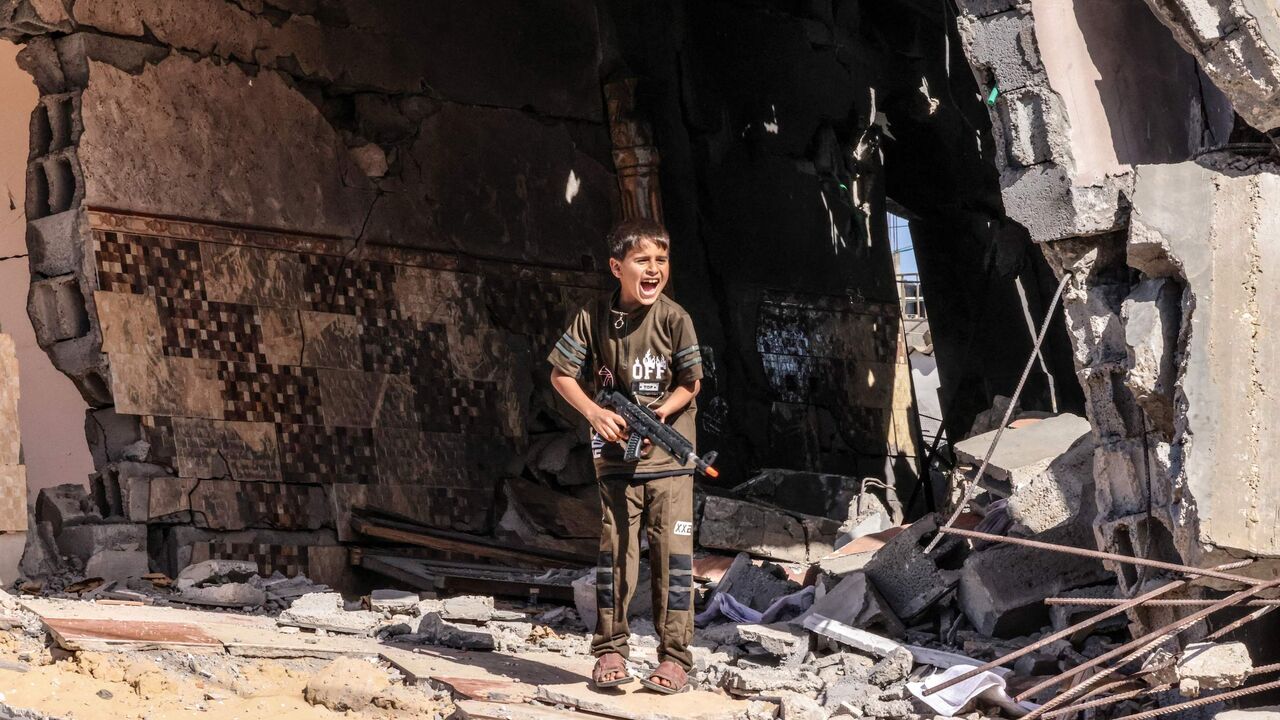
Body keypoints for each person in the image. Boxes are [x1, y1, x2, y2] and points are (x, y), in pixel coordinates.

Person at [547, 219, 703, 695]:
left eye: (661, 260)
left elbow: (690, 382)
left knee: (673, 559)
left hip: (671, 466)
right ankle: (610, 650)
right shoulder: (592, 318)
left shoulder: (675, 318)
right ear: (617, 267)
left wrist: (659, 413)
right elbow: (561, 374)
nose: (654, 269)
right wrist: (596, 413)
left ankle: (675, 658)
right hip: (616, 462)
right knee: (615, 554)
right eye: (642, 260)